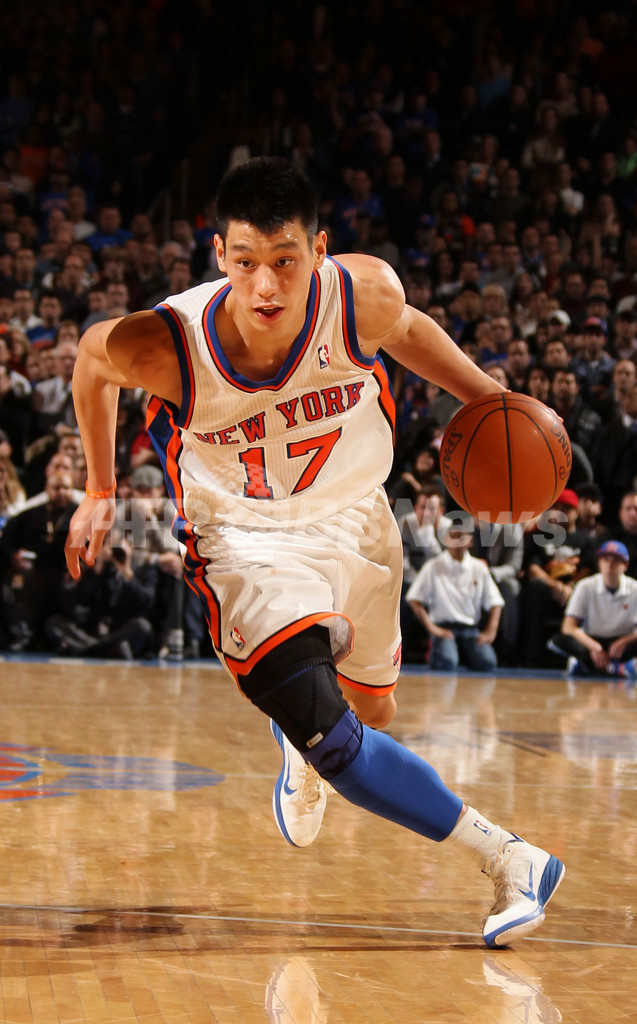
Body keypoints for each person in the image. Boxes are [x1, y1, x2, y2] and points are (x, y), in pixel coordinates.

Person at [65, 156, 564, 948]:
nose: (264, 285)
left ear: (318, 250)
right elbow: (91, 364)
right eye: (244, 262)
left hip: (357, 519)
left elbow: (407, 331)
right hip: (242, 538)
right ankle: (509, 859)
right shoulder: (167, 345)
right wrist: (99, 487)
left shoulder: (361, 296)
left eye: (285, 261)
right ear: (219, 254)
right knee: (335, 738)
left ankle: (300, 739)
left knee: (373, 712)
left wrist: (490, 402)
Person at [406, 521, 504, 672]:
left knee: (487, 663)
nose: (456, 541)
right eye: (453, 536)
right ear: (446, 539)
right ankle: (440, 652)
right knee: (447, 663)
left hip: (470, 630)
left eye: (461, 537)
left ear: (471, 541)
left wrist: (492, 629)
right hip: (444, 628)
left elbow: (495, 601)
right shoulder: (433, 565)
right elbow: (414, 598)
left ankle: (463, 653)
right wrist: (432, 628)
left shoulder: (478, 567)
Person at [548, 541, 637, 678]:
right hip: (591, 640)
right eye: (605, 560)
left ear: (625, 565)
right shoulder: (585, 586)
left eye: (615, 561)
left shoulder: (634, 588)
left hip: (622, 644)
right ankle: (618, 668)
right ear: (599, 563)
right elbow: (568, 626)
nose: (609, 565)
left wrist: (626, 640)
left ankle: (587, 666)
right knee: (557, 640)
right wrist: (594, 646)